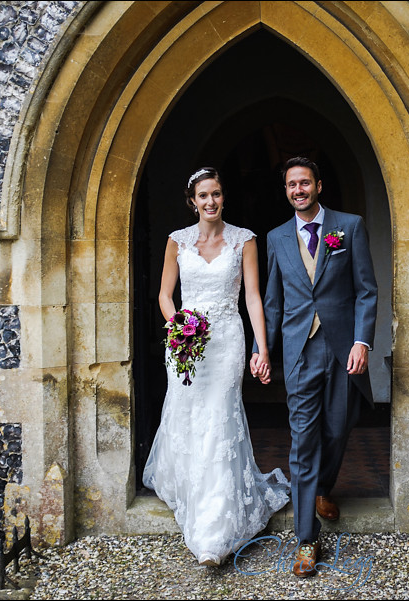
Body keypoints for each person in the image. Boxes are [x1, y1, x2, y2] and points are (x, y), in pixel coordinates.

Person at [143, 167, 290, 567]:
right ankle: (189, 490)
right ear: (193, 201)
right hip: (187, 342)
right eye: (203, 196)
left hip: (226, 340)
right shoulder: (178, 242)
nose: (211, 202)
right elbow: (164, 295)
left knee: (220, 417)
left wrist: (262, 348)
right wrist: (178, 328)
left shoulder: (244, 241)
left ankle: (214, 528)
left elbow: (254, 299)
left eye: (217, 194)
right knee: (190, 414)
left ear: (224, 197)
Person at [251, 157, 378, 578]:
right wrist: (262, 350)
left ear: (318, 186)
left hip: (343, 348)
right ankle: (307, 539)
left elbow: (365, 290)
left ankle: (323, 487)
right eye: (292, 185)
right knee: (303, 441)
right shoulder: (276, 238)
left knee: (339, 427)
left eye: (305, 183)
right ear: (286, 190)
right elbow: (272, 303)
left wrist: (362, 341)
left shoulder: (349, 226)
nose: (298, 190)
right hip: (300, 351)